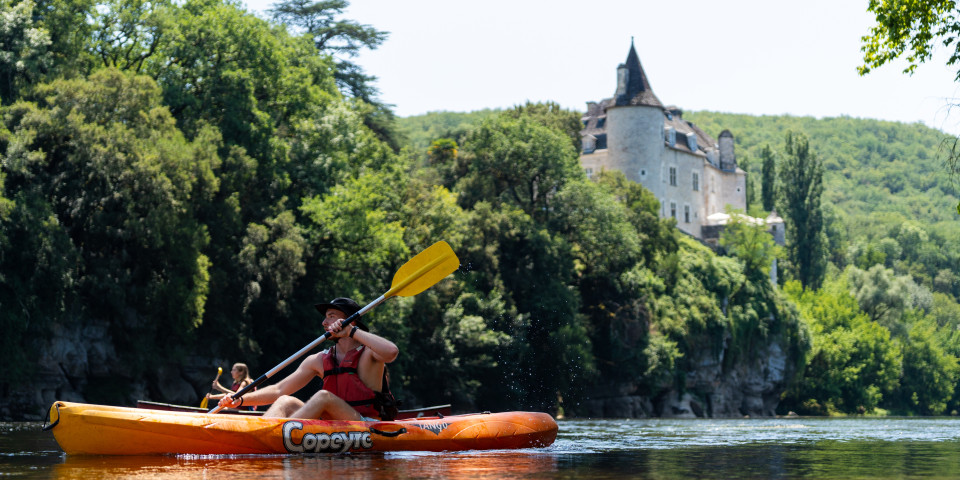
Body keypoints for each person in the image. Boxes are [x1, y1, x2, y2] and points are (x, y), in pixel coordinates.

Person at [216, 297, 400, 421]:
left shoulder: (369, 353)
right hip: (332, 426)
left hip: (365, 425)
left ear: (350, 321)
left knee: (324, 397)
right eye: (325, 317)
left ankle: (277, 436)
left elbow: (391, 352)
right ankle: (261, 434)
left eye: (331, 316)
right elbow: (278, 389)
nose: (324, 322)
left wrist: (352, 331)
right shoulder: (319, 360)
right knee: (285, 401)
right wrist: (239, 400)